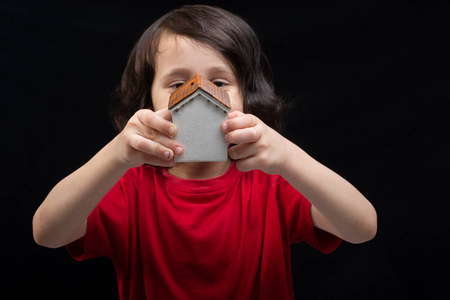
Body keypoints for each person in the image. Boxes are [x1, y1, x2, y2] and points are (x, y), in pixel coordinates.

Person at [33, 5, 377, 300]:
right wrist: (117, 155)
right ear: (148, 101)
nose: (198, 95)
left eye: (221, 83)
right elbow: (47, 232)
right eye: (177, 84)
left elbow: (362, 226)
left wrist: (288, 157)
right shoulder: (129, 185)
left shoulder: (272, 182)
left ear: (246, 98)